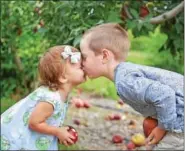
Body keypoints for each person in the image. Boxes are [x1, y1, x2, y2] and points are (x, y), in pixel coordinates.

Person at [80, 23, 184, 150]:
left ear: (105, 56)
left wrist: (162, 128)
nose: (81, 63)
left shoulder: (124, 82)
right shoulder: (125, 73)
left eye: (84, 57)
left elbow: (165, 94)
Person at [1, 45, 85, 150]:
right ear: (63, 77)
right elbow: (34, 123)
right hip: (15, 138)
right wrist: (58, 131)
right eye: (81, 67)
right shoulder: (51, 99)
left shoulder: (61, 95)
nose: (85, 68)